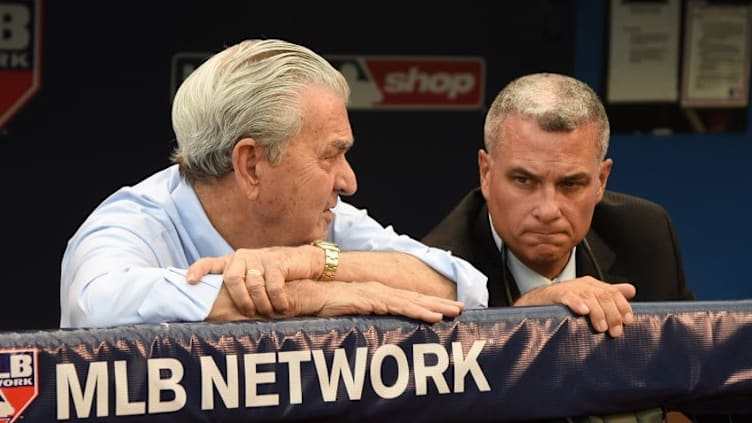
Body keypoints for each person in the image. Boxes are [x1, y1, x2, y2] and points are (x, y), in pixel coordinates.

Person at [60, 38, 488, 329]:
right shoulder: (133, 221)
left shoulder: (322, 222)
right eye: (330, 154)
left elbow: (463, 288)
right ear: (251, 166)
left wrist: (316, 266)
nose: (349, 180)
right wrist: (301, 297)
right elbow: (95, 305)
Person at [422, 72, 695, 339]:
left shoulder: (646, 235)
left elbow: (689, 367)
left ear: (601, 180)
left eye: (570, 185)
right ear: (486, 173)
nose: (548, 210)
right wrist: (527, 312)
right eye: (524, 180)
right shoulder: (438, 270)